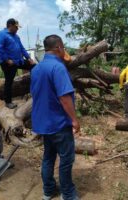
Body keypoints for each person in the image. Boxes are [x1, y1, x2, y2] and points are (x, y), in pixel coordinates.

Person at [31, 35, 80, 200]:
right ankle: (67, 194)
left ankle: (48, 190)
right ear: (59, 47)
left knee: (48, 157)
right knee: (66, 159)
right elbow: (65, 98)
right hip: (59, 123)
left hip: (44, 123)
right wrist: (74, 120)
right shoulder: (58, 68)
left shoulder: (36, 69)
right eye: (63, 47)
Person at [0, 18, 35, 109]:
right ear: (10, 26)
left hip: (18, 61)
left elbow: (22, 48)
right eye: (16, 27)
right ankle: (8, 102)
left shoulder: (16, 36)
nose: (17, 29)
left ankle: (34, 88)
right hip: (8, 63)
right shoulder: (2, 34)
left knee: (34, 66)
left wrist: (29, 58)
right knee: (9, 82)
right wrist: (7, 60)